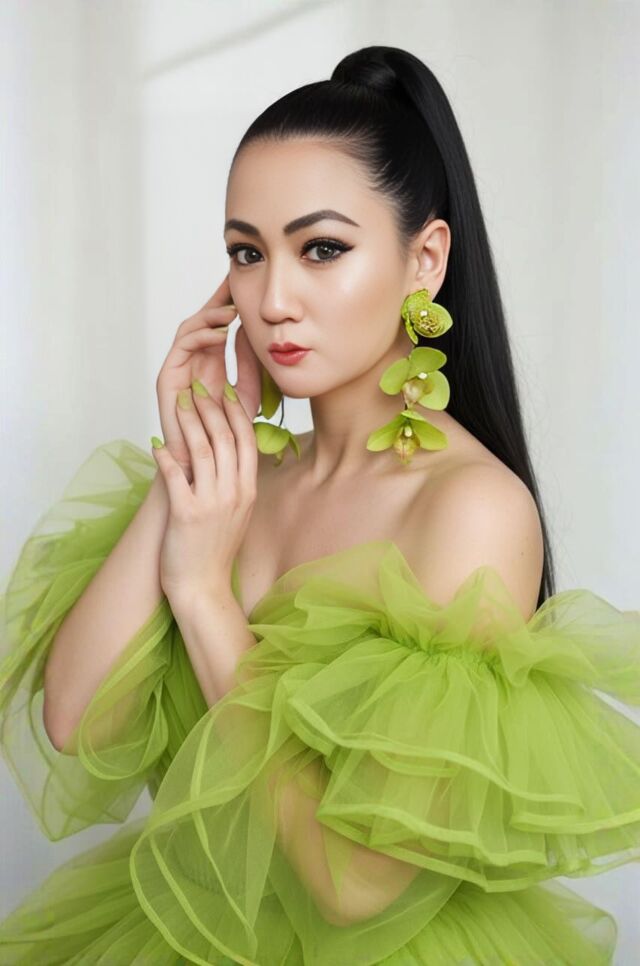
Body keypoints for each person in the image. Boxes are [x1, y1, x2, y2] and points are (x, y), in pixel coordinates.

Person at [0, 44, 638, 965]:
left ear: (424, 260)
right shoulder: (235, 483)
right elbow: (73, 722)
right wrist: (193, 449)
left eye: (322, 249)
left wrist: (206, 598)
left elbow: (356, 885)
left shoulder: (469, 509)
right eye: (246, 254)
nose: (272, 300)